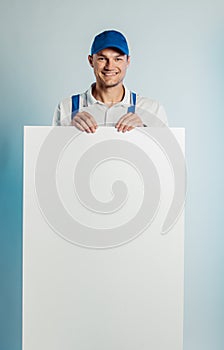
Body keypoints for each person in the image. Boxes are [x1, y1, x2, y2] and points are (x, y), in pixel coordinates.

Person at [52, 29, 168, 132]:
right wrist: (68, 133)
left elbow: (166, 155)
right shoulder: (67, 108)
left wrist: (145, 132)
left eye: (117, 59)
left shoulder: (152, 110)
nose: (109, 66)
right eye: (102, 59)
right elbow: (52, 154)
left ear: (128, 61)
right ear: (91, 60)